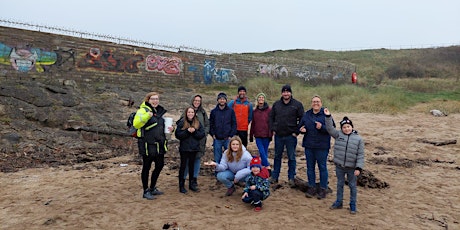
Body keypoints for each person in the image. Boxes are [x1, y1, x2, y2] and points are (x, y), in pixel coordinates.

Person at [133, 92, 173, 200]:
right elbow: (136, 124)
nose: (155, 101)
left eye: (157, 99)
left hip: (159, 144)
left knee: (159, 165)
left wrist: (170, 130)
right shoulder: (143, 110)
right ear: (148, 100)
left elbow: (160, 127)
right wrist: (147, 116)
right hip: (147, 144)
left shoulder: (159, 112)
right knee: (146, 167)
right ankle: (146, 190)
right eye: (153, 99)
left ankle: (152, 187)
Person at [324, 108, 364, 214]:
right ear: (341, 128)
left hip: (352, 168)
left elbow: (360, 155)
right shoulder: (338, 135)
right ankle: (339, 202)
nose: (346, 129)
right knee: (340, 184)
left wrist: (358, 168)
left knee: (352, 186)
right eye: (344, 127)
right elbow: (329, 128)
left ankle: (353, 205)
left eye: (348, 127)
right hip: (339, 166)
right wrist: (328, 116)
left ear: (352, 127)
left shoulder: (359, 139)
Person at [268, 84, 304, 188]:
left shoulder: (297, 104)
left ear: (290, 93)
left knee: (292, 157)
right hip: (278, 135)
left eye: (288, 91)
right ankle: (275, 177)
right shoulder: (276, 104)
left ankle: (291, 178)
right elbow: (271, 118)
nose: (286, 93)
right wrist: (273, 129)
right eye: (284, 91)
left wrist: (297, 131)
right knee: (277, 157)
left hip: (291, 136)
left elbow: (302, 119)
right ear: (281, 93)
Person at [299, 95, 334, 199]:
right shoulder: (306, 114)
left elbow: (332, 129)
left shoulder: (326, 114)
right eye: (314, 102)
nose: (316, 103)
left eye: (318, 102)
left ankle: (323, 188)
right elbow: (300, 126)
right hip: (309, 145)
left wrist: (322, 127)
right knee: (310, 167)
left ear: (321, 103)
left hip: (322, 146)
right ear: (311, 103)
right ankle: (311, 187)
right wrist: (301, 130)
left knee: (322, 167)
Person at [175, 107, 206, 193]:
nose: (190, 114)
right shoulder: (182, 122)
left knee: (192, 166)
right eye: (189, 112)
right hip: (184, 148)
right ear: (186, 113)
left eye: (192, 112)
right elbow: (178, 135)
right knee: (183, 166)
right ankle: (181, 185)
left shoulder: (198, 122)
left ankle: (192, 184)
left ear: (194, 113)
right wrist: (187, 131)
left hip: (194, 148)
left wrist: (195, 131)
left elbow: (202, 134)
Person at [184, 95, 210, 191]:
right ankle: (183, 178)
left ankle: (194, 180)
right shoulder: (188, 111)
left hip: (200, 140)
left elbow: (207, 124)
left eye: (199, 101)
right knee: (187, 160)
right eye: (195, 100)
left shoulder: (203, 112)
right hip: (189, 140)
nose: (197, 102)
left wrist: (204, 133)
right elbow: (181, 123)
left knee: (197, 159)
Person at [209, 92, 237, 164]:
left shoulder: (230, 111)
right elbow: (210, 124)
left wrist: (231, 135)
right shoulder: (214, 112)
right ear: (218, 100)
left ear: (226, 100)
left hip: (227, 138)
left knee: (229, 156)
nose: (222, 100)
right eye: (220, 99)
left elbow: (234, 124)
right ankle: (217, 171)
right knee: (217, 157)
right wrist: (212, 134)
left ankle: (229, 171)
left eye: (223, 99)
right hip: (217, 139)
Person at [249, 92, 273, 171]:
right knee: (261, 151)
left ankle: (263, 168)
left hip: (267, 135)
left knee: (265, 152)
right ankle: (267, 166)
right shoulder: (255, 111)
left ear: (264, 99)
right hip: (258, 135)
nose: (261, 99)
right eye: (259, 97)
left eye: (262, 97)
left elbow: (271, 122)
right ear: (257, 100)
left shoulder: (269, 110)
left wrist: (271, 134)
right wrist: (251, 135)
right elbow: (253, 124)